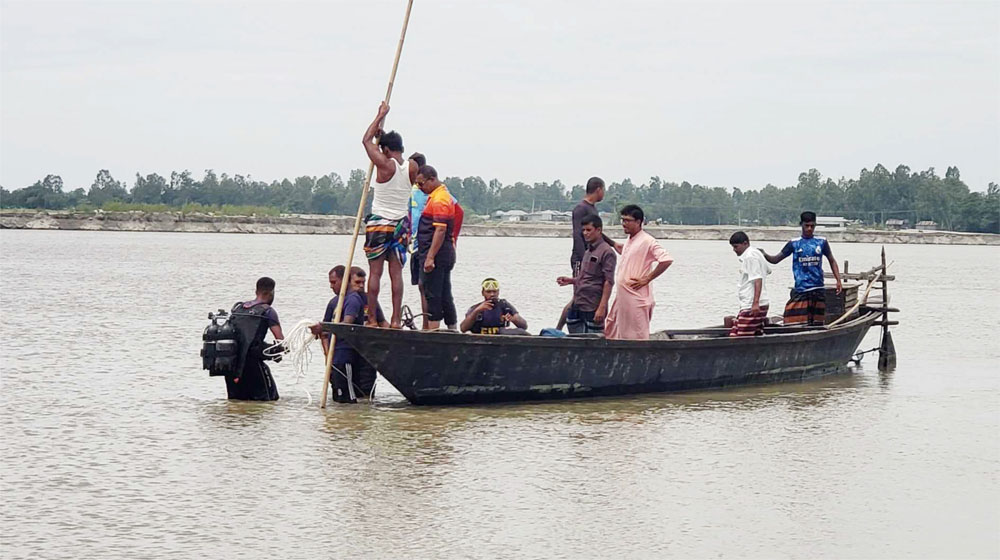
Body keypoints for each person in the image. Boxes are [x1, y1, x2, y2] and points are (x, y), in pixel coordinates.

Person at [362, 101, 417, 329]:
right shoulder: (412, 166)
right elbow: (383, 148)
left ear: (385, 150)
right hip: (400, 225)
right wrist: (382, 131)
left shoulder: (385, 165)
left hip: (380, 223)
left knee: (375, 272)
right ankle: (395, 320)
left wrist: (379, 114)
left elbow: (365, 141)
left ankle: (372, 319)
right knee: (396, 274)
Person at [311, 266, 387, 403]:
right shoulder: (335, 303)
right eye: (357, 282)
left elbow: (382, 323)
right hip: (344, 354)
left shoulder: (368, 301)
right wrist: (328, 358)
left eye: (363, 282)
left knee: (364, 396)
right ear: (348, 281)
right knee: (343, 395)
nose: (361, 286)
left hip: (366, 356)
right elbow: (325, 334)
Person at [407, 153, 462, 330]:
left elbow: (440, 229)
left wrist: (430, 257)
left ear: (432, 180)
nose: (420, 187)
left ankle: (433, 331)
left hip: (437, 254)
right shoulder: (437, 196)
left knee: (433, 295)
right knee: (444, 293)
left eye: (422, 184)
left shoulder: (440, 199)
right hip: (441, 252)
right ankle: (452, 329)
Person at [557, 176, 620, 330]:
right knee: (578, 297)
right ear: (598, 189)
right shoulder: (581, 208)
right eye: (603, 190)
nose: (603, 193)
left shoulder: (592, 208)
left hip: (593, 255)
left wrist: (612, 244)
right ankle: (558, 329)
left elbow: (597, 232)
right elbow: (578, 234)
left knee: (588, 295)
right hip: (582, 257)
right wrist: (585, 256)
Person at [759, 211, 843, 326]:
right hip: (801, 290)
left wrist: (838, 280)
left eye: (812, 226)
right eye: (806, 226)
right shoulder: (794, 243)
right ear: (801, 225)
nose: (809, 229)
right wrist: (764, 254)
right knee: (792, 321)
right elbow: (775, 259)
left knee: (817, 323)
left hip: (818, 289)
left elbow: (832, 260)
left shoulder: (822, 242)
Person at [604, 205, 674, 340]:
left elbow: (666, 260)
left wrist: (647, 279)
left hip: (636, 298)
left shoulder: (648, 241)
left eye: (627, 220)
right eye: (622, 220)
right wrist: (603, 237)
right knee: (615, 331)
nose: (624, 224)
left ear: (638, 222)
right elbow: (621, 249)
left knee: (637, 336)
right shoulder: (630, 240)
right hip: (623, 297)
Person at [225, 277, 284, 401]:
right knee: (269, 401)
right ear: (270, 293)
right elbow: (280, 341)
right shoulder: (268, 311)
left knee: (236, 403)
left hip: (232, 367)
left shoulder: (238, 308)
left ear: (256, 291)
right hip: (253, 366)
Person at [556, 215, 616, 334]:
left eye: (589, 230)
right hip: (578, 304)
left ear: (598, 230)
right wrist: (571, 280)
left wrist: (602, 307)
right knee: (574, 339)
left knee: (592, 343)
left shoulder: (607, 252)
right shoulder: (588, 251)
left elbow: (608, 282)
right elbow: (586, 277)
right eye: (583, 230)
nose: (585, 233)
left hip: (593, 306)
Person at [728, 231, 771, 337]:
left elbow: (757, 279)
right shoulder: (756, 253)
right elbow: (768, 270)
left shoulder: (750, 256)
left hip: (752, 305)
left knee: (741, 337)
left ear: (745, 243)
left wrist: (755, 303)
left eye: (736, 247)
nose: (734, 250)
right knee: (736, 333)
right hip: (753, 304)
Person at [460, 278, 528, 334]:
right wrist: (477, 311)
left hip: (500, 341)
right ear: (483, 293)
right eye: (488, 292)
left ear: (498, 292)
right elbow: (463, 328)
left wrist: (514, 319)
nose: (492, 294)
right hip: (480, 340)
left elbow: (524, 326)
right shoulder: (476, 308)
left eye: (494, 291)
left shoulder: (504, 306)